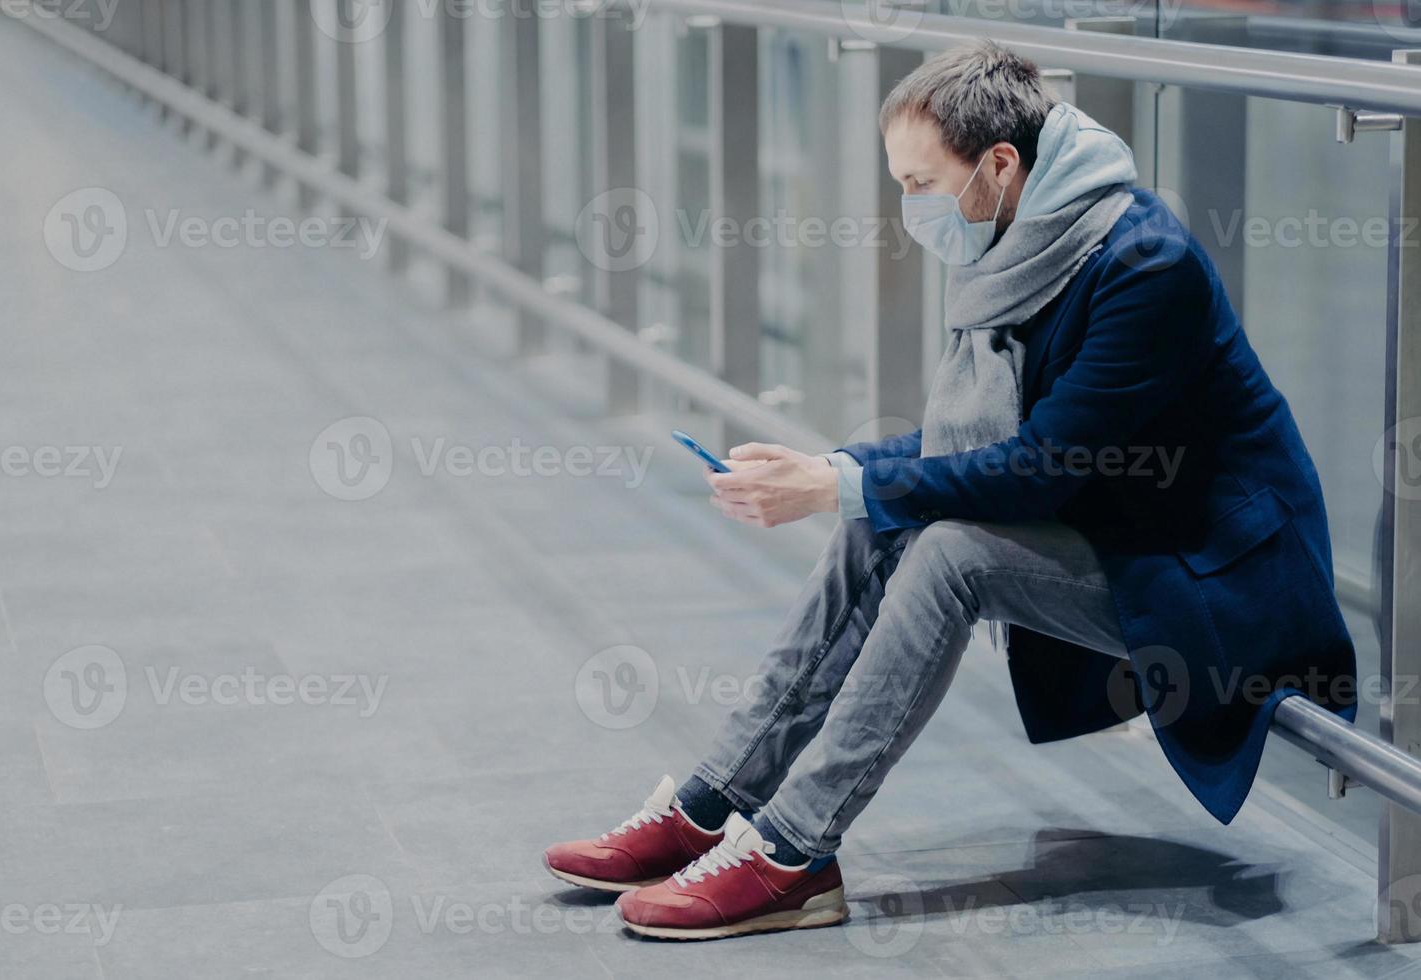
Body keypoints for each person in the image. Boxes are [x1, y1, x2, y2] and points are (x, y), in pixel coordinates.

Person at [544, 39, 1356, 941]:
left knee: (947, 550)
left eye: (921, 183)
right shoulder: (1026, 240)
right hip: (1123, 535)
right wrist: (833, 477)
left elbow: (1042, 467)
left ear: (1000, 165)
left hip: (1217, 584)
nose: (908, 209)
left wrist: (838, 484)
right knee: (874, 507)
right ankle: (714, 802)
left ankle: (793, 855)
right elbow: (971, 449)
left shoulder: (1140, 265)